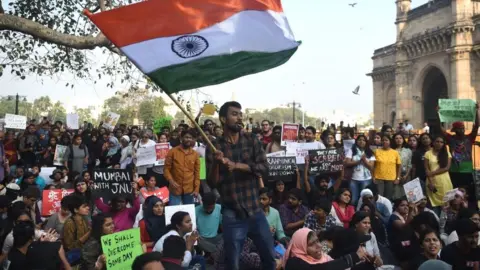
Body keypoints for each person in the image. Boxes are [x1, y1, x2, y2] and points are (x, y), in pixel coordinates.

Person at [206, 101, 275, 270]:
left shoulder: (251, 140)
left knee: (269, 258)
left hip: (255, 209)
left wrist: (237, 166)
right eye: (234, 114)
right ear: (223, 119)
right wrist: (216, 163)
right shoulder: (215, 147)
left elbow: (264, 168)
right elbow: (212, 183)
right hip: (232, 212)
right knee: (233, 263)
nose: (239, 117)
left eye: (240, 114)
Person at [283, 228, 366, 270]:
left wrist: (368, 265)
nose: (319, 246)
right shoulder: (294, 262)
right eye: (311, 244)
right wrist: (352, 257)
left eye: (317, 241)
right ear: (301, 247)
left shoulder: (324, 257)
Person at [164, 130, 200, 205]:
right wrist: (171, 181)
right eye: (186, 137)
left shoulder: (195, 154)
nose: (189, 139)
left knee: (188, 214)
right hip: (175, 189)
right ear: (181, 138)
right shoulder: (172, 152)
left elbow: (197, 174)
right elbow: (166, 169)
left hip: (189, 190)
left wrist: (196, 189)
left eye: (190, 138)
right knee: (174, 213)